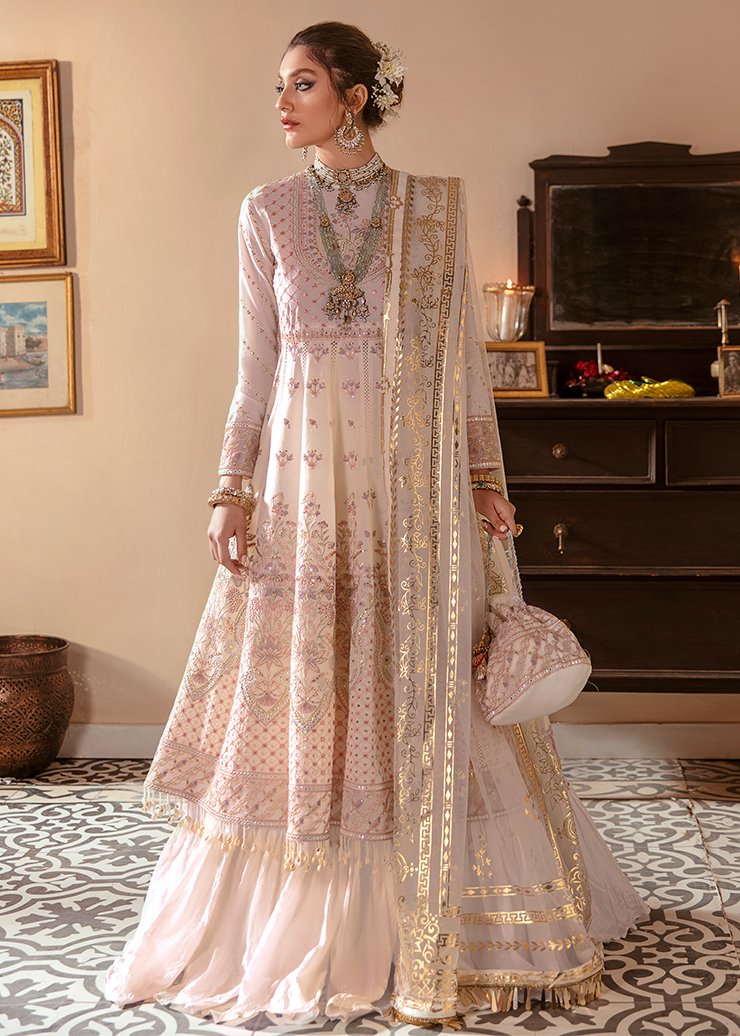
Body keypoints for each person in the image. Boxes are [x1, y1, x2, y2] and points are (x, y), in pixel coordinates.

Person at [104, 22, 648, 1028]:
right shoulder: (266, 211)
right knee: (313, 676)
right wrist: (230, 489)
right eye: (280, 86)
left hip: (415, 491)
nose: (282, 103)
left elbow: (461, 363)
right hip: (303, 487)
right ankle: (315, 915)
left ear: (354, 96)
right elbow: (257, 367)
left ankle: (443, 913)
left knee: (424, 679)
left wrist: (482, 477)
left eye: (301, 83)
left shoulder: (431, 212)